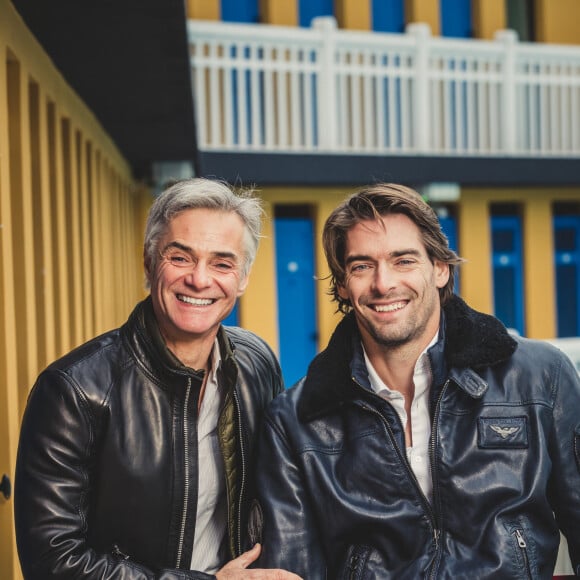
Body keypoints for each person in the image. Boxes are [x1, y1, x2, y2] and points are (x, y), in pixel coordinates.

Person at [250, 183, 580, 578]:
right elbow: (294, 573)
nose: (383, 283)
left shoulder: (541, 376)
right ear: (342, 284)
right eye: (361, 266)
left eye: (403, 260)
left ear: (440, 268)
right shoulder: (294, 420)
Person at [15, 178, 300, 580]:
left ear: (243, 278)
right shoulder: (74, 390)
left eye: (222, 263)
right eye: (180, 257)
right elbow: (53, 562)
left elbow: (279, 491)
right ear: (149, 262)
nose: (200, 280)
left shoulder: (257, 363)